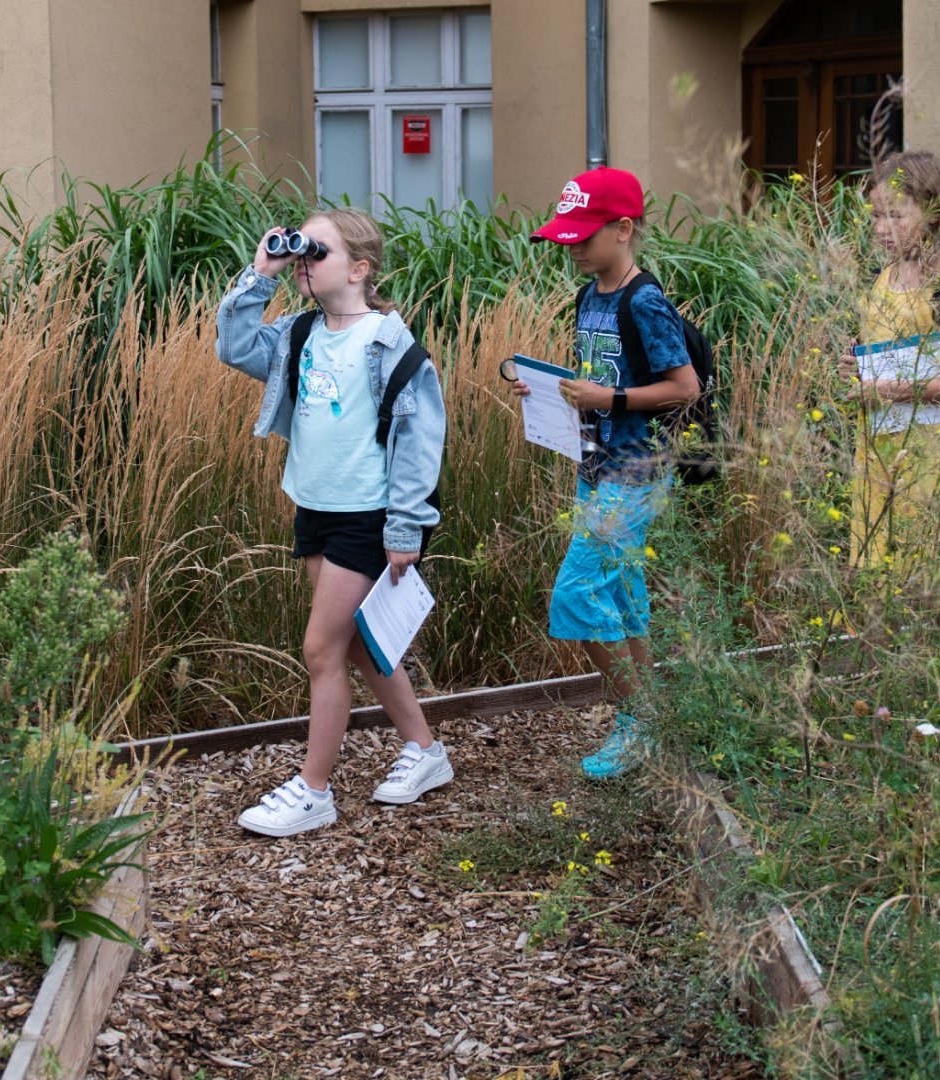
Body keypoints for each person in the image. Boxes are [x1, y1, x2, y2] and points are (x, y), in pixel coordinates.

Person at [215, 208, 451, 837]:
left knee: (321, 649)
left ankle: (313, 790)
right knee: (355, 642)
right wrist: (261, 272)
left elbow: (421, 439)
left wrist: (405, 528)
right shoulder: (299, 335)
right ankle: (425, 751)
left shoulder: (388, 343)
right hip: (315, 506)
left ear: (361, 268)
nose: (304, 262)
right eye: (301, 252)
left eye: (316, 253)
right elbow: (234, 346)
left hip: (367, 517)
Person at [508, 167, 699, 779]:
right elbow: (601, 376)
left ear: (623, 229)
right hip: (597, 464)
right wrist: (544, 391)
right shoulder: (591, 295)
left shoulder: (645, 301)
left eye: (582, 236)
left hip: (638, 471)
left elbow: (683, 387)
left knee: (577, 594)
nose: (572, 247)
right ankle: (647, 725)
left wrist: (607, 401)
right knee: (620, 594)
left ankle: (639, 718)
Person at [835, 150, 940, 569]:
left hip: (931, 456)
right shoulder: (882, 280)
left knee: (926, 570)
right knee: (876, 572)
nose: (883, 229)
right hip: (879, 452)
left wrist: (885, 390)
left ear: (933, 213)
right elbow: (877, 351)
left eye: (897, 216)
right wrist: (855, 367)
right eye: (875, 216)